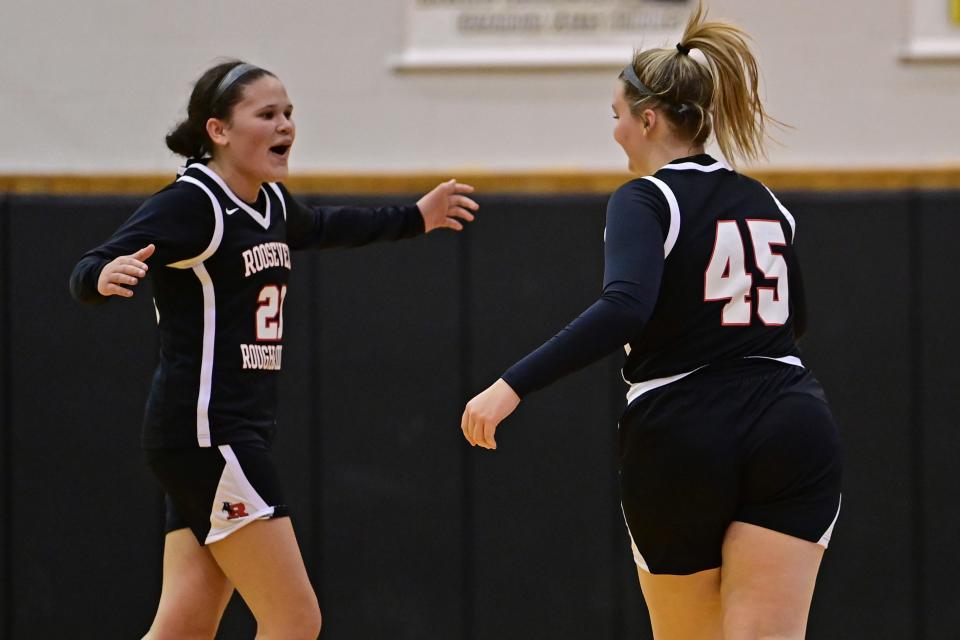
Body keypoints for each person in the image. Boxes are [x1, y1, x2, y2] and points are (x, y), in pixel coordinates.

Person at [460, 4, 841, 639]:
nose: (615, 133)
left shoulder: (645, 196)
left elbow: (625, 307)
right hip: (791, 418)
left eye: (616, 117)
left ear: (648, 118)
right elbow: (792, 318)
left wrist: (510, 386)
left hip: (685, 428)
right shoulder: (767, 201)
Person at [69, 60, 478, 640]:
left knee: (184, 624)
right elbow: (94, 261)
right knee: (294, 617)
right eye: (268, 114)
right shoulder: (194, 203)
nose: (286, 125)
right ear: (218, 130)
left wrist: (416, 217)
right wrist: (99, 275)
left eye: (289, 113)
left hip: (218, 436)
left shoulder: (272, 205)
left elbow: (329, 226)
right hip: (209, 434)